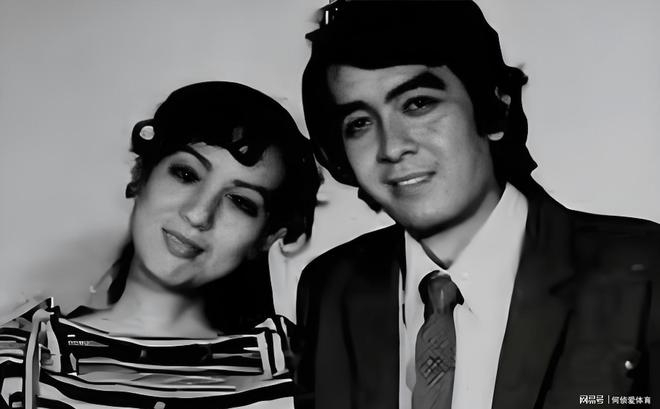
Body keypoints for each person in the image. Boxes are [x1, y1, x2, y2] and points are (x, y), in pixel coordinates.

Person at [295, 1, 660, 409]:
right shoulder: (330, 287)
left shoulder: (645, 269)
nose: (391, 147)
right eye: (359, 123)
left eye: (418, 103)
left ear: (496, 108)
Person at [0, 81, 320, 409]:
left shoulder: (302, 368)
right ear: (141, 173)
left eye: (240, 201)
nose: (198, 214)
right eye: (186, 174)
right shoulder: (15, 355)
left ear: (267, 237)